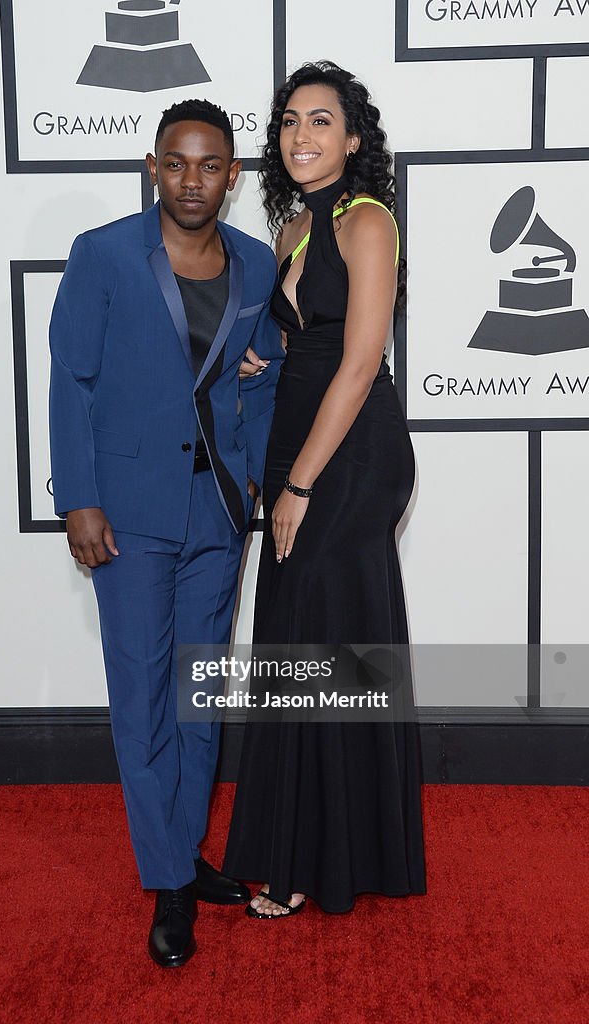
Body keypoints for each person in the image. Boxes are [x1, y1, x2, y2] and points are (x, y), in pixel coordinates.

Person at [48, 99, 285, 966]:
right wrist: (77, 497)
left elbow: (258, 381)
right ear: (154, 168)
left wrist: (254, 475)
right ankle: (171, 882)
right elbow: (72, 381)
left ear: (232, 174)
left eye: (210, 164)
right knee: (144, 699)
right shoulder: (105, 254)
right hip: (129, 516)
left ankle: (182, 855)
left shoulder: (256, 267)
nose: (193, 179)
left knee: (198, 698)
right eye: (177, 163)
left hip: (219, 514)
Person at [222, 62, 426, 917]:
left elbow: (357, 359)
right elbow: (293, 340)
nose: (300, 135)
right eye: (288, 122)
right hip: (296, 448)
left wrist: (299, 484)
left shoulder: (367, 219)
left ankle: (319, 861)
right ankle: (313, 848)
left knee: (325, 640)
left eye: (320, 120)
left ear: (352, 138)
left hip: (351, 456)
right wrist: (258, 354)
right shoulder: (292, 228)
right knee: (300, 641)